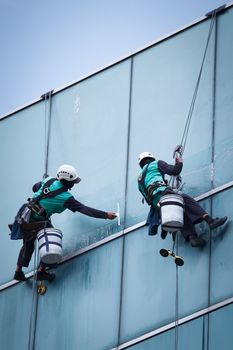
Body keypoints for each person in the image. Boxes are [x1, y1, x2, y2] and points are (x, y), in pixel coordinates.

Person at [14, 164, 117, 282]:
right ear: (66, 181)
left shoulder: (49, 180)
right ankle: (41, 271)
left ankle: (19, 272)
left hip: (25, 214)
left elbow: (35, 187)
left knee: (28, 245)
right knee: (51, 242)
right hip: (37, 220)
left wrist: (46, 189)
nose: (73, 184)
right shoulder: (65, 197)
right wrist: (105, 215)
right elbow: (84, 209)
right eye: (72, 182)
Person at [138, 152, 228, 247]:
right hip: (163, 192)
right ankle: (210, 221)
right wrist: (179, 162)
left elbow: (147, 198)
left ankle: (192, 238)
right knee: (187, 201)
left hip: (157, 204)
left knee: (180, 212)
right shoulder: (156, 163)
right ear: (151, 158)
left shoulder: (139, 179)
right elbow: (174, 171)